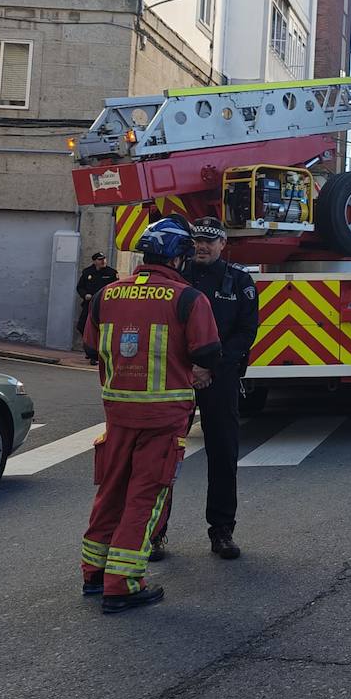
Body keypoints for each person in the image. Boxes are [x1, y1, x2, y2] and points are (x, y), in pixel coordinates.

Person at [80, 216, 221, 614]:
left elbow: (91, 347)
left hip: (117, 413)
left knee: (111, 492)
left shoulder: (106, 295)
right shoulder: (188, 298)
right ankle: (122, 584)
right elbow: (207, 353)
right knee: (145, 497)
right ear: (178, 258)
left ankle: (94, 571)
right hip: (163, 417)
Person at [150, 217, 259, 562]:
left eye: (210, 241)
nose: (202, 246)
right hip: (176, 375)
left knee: (223, 454)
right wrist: (189, 368)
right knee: (163, 454)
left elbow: (245, 333)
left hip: (219, 377)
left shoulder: (239, 281)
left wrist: (210, 366)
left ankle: (221, 531)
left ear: (223, 244)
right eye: (197, 240)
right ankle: (154, 531)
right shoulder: (178, 278)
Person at [75, 253, 118, 362]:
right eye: (100, 259)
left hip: (104, 305)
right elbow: (80, 287)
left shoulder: (111, 273)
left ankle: (96, 353)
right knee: (82, 326)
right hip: (89, 304)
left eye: (104, 259)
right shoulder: (87, 272)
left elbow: (116, 287)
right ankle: (89, 350)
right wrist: (85, 295)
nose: (103, 261)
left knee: (100, 329)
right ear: (94, 261)